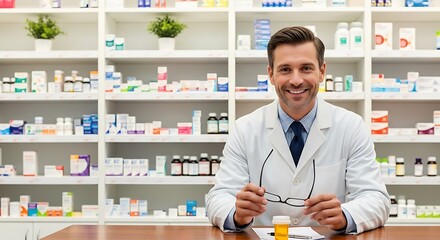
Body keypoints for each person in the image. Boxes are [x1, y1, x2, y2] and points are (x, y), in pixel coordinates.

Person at [206, 26, 390, 234]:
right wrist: (237, 214)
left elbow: (377, 199)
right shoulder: (245, 129)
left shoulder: (351, 126)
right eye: (285, 69)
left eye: (306, 68)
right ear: (271, 74)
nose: (296, 80)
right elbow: (218, 197)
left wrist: (346, 215)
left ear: (321, 72)